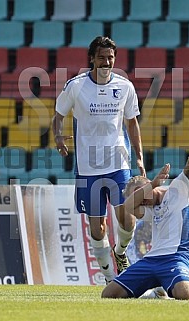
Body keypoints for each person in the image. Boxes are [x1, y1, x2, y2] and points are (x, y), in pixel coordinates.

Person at [52, 36, 146, 283]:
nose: (107, 62)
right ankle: (109, 278)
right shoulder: (76, 86)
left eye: (111, 57)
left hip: (118, 163)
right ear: (92, 59)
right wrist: (58, 137)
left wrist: (139, 158)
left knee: (127, 217)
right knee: (98, 228)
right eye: (102, 57)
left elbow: (132, 123)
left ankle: (121, 251)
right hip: (88, 168)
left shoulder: (125, 87)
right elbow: (58, 115)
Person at [101, 122, 189, 300]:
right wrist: (152, 184)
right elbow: (127, 206)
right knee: (109, 294)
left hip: (177, 257)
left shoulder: (178, 190)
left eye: (139, 192)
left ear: (145, 185)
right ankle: (156, 293)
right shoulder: (150, 210)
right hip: (151, 260)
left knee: (187, 295)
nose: (141, 200)